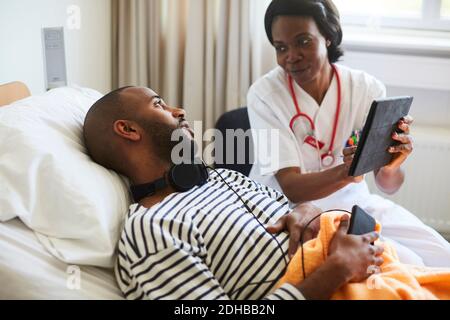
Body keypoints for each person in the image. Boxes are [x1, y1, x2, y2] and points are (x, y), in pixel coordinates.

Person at [83, 86, 384, 300]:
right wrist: (338, 269)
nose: (180, 110)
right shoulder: (152, 230)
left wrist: (308, 210)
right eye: (159, 104)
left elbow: (298, 214)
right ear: (128, 129)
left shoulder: (223, 177)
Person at [247, 0, 450, 267]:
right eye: (281, 47)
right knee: (403, 262)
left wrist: (392, 165)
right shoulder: (265, 95)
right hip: (286, 206)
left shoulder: (366, 89)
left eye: (303, 41)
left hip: (353, 200)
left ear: (328, 37)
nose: (291, 56)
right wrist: (349, 171)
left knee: (439, 253)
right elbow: (291, 187)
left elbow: (388, 185)